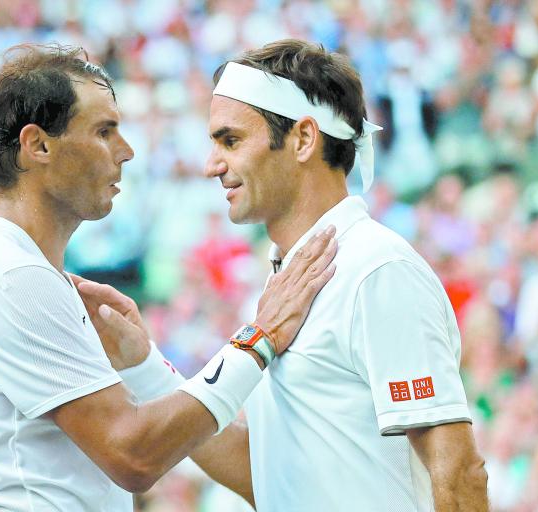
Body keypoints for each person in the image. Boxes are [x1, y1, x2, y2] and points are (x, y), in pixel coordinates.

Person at [78, 39, 490, 511]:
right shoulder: (288, 279)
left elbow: (457, 470)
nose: (211, 165)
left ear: (303, 139)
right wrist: (144, 364)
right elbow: (266, 476)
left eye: (230, 140)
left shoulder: (378, 269)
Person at [0, 43, 337, 511]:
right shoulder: (11, 276)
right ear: (37, 145)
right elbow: (134, 456)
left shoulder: (21, 273)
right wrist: (259, 338)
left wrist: (143, 365)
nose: (126, 151)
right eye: (105, 131)